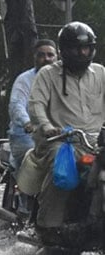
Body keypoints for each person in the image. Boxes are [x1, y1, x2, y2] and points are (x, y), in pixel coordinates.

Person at [16, 21, 105, 235]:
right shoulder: (48, 74)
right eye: (77, 48)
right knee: (62, 168)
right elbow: (35, 104)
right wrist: (46, 126)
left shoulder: (100, 73)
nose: (83, 53)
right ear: (64, 51)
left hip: (95, 141)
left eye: (86, 48)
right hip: (62, 140)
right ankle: (49, 226)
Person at [8, 39, 57, 170]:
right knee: (33, 163)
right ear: (34, 57)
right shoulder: (24, 80)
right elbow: (16, 105)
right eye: (41, 55)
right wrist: (27, 123)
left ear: (57, 57)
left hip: (58, 135)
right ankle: (26, 190)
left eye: (50, 55)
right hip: (28, 136)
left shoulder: (64, 79)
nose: (46, 59)